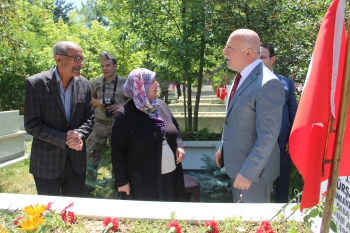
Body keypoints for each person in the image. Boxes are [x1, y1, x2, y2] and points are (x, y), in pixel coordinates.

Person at [215, 29, 285, 203]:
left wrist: (248, 173)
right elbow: (233, 118)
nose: (225, 51)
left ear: (248, 53)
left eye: (229, 47)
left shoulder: (268, 84)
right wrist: (223, 146)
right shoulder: (241, 78)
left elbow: (268, 136)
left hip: (253, 176)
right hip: (238, 167)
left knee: (253, 225)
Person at [24, 41, 94, 197]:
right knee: (50, 212)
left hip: (76, 162)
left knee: (76, 211)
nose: (80, 63)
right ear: (58, 58)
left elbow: (89, 118)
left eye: (82, 59)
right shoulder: (36, 84)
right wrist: (64, 138)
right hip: (46, 163)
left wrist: (79, 135)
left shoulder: (85, 84)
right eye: (76, 58)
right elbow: (32, 124)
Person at [111, 68, 186, 201]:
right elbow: (117, 151)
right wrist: (122, 181)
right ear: (141, 86)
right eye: (152, 82)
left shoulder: (161, 105)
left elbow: (176, 128)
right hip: (143, 183)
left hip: (171, 176)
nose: (157, 84)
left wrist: (179, 145)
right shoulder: (125, 115)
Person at [260, 43, 298, 203]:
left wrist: (292, 139)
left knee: (282, 184)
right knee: (260, 185)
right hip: (259, 145)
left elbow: (293, 112)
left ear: (273, 59)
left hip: (282, 145)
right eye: (257, 57)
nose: (259, 60)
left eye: (263, 57)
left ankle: (280, 220)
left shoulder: (286, 83)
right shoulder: (251, 83)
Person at [86, 52, 127, 174]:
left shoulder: (125, 83)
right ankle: (89, 185)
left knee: (119, 156)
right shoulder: (96, 82)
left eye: (108, 65)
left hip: (118, 125)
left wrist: (121, 106)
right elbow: (88, 99)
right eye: (103, 66)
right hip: (98, 125)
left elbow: (133, 102)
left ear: (115, 66)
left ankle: (119, 184)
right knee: (91, 155)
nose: (105, 68)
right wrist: (99, 102)